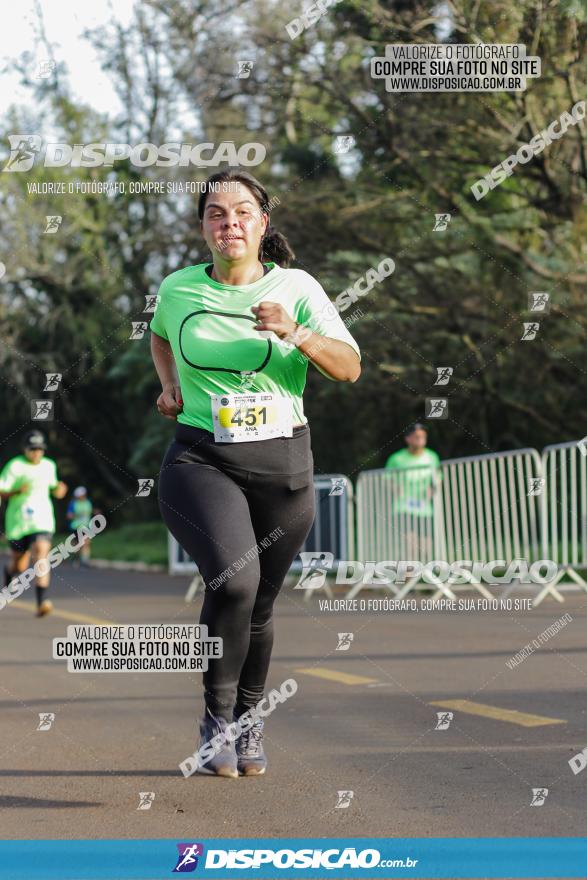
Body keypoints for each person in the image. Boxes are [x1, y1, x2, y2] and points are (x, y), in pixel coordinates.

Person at [151, 169, 361, 778]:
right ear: (202, 229)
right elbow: (161, 339)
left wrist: (295, 333)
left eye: (242, 212)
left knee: (261, 605)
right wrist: (169, 387)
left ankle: (248, 720)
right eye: (217, 214)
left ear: (263, 224)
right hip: (201, 458)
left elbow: (349, 368)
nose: (230, 223)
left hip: (282, 464)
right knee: (235, 582)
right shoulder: (178, 289)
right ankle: (216, 721)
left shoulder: (297, 287)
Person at [0, 430, 68, 617]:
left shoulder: (49, 466)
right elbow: (2, 490)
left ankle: (42, 602)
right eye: (33, 449)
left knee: (41, 555)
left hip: (42, 520)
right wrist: (15, 492)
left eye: (40, 449)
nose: (37, 452)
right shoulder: (15, 466)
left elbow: (55, 489)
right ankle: (8, 572)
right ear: (25, 449)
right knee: (19, 566)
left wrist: (59, 491)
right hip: (18, 522)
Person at [384, 423, 440, 561]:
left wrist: (431, 491)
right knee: (409, 543)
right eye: (417, 436)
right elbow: (386, 479)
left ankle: (419, 574)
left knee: (426, 546)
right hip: (403, 507)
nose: (421, 439)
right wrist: (396, 490)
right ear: (408, 439)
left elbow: (438, 478)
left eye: (423, 436)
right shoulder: (396, 458)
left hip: (425, 508)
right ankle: (407, 575)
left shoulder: (432, 456)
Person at [67, 486, 94, 566]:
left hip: (86, 526)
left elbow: (89, 512)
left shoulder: (88, 502)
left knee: (86, 542)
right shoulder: (73, 503)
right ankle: (75, 559)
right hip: (75, 526)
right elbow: (69, 515)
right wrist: (77, 515)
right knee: (77, 545)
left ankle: (85, 561)